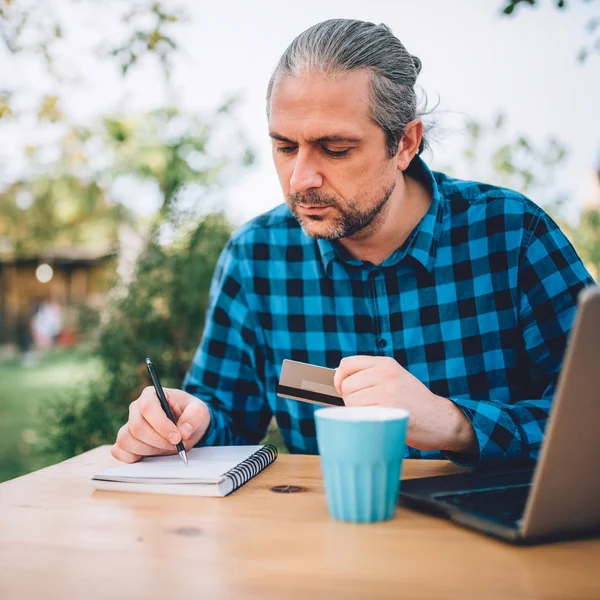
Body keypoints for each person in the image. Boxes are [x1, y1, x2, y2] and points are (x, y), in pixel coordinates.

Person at [112, 19, 595, 467]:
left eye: (335, 149)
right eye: (284, 147)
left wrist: (455, 424)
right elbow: (226, 416)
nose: (301, 178)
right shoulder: (255, 257)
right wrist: (184, 423)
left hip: (499, 547)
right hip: (329, 548)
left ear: (404, 144)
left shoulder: (511, 234)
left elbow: (588, 420)